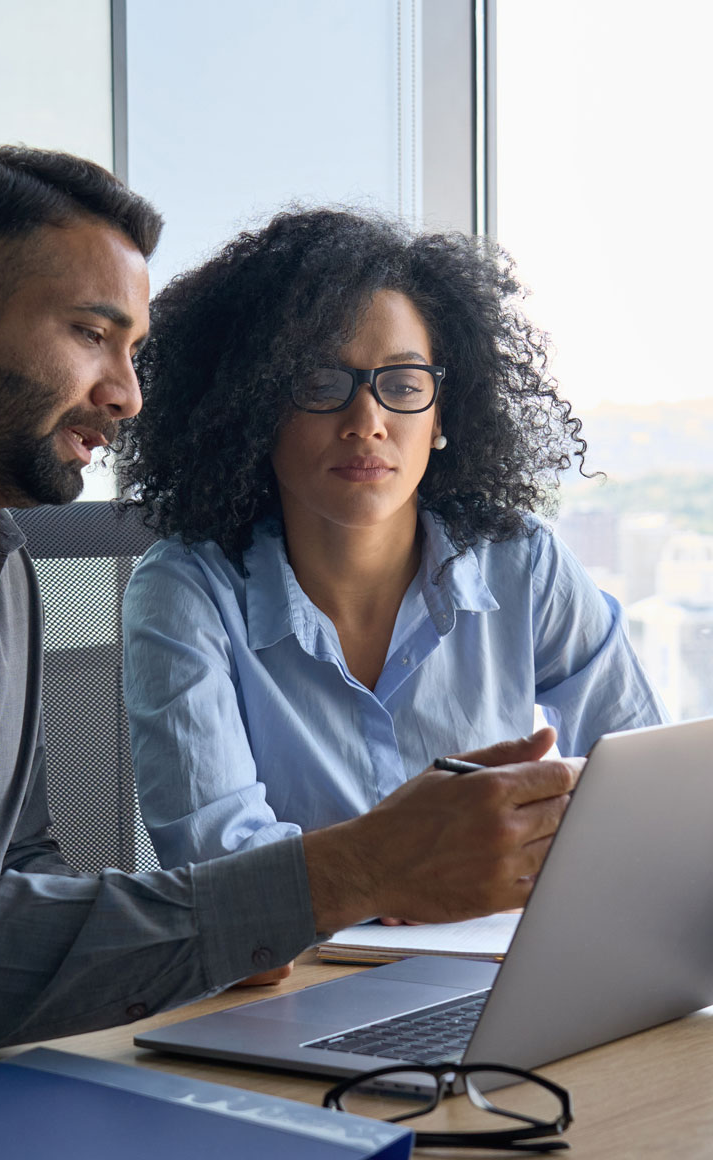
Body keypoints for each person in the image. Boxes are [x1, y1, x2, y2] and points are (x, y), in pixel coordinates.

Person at [0, 149, 579, 1079]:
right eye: (93, 334)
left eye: (132, 352)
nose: (128, 394)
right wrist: (354, 870)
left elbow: (27, 865)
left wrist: (221, 932)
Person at [120, 208, 665, 875]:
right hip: (298, 977)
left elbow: (647, 782)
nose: (367, 422)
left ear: (443, 414)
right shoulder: (185, 592)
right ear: (256, 408)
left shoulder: (520, 562)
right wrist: (399, 877)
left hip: (498, 960)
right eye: (322, 383)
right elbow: (222, 873)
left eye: (404, 386)